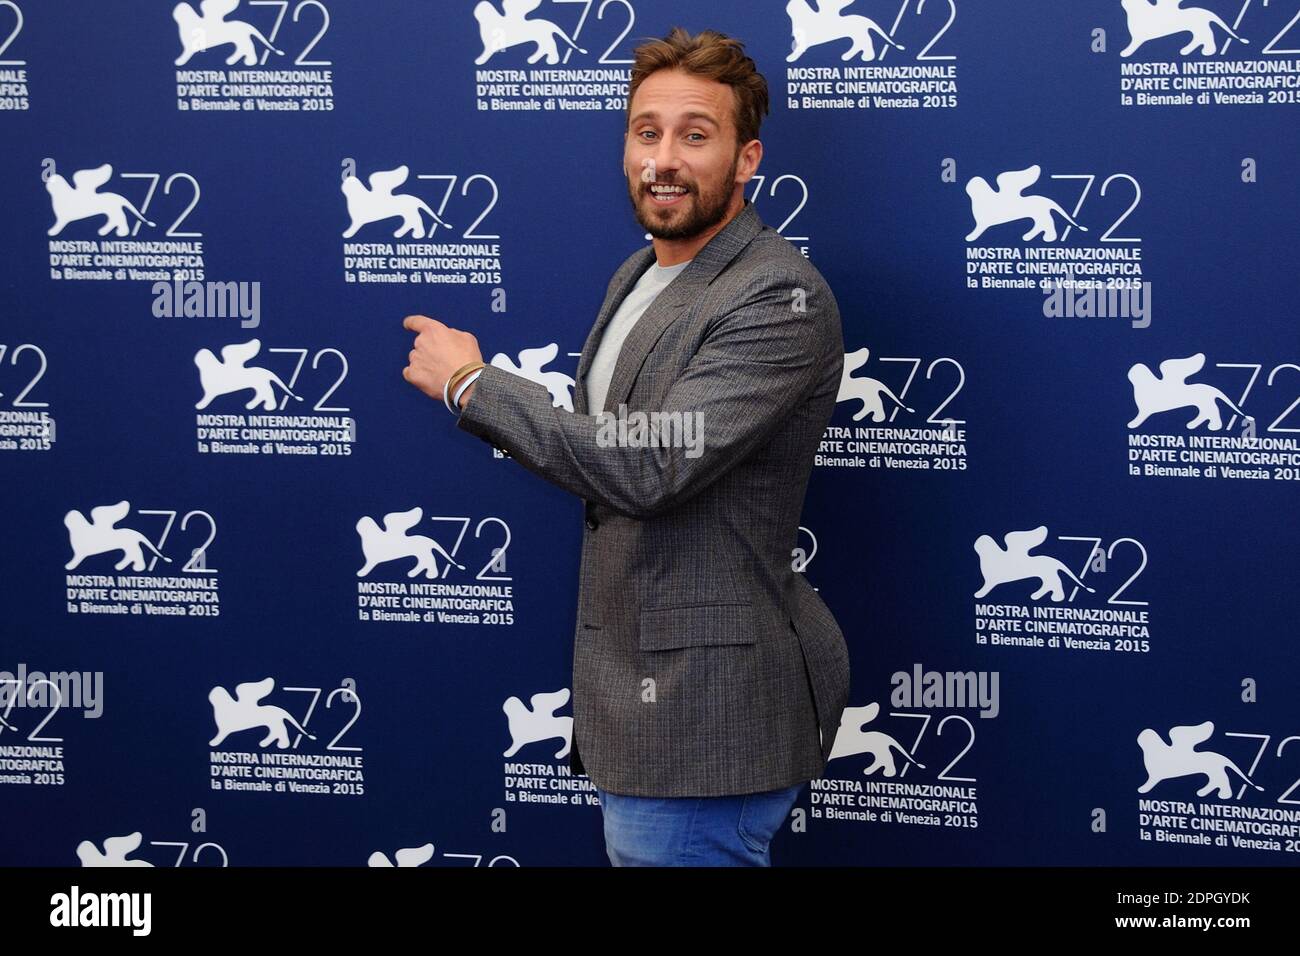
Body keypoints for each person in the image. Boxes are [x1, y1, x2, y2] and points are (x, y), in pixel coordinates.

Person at [401, 26, 849, 867]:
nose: (664, 160)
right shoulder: (635, 275)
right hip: (632, 700)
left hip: (705, 714)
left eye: (695, 134)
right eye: (647, 132)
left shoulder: (778, 295)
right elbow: (599, 446)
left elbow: (648, 463)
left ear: (747, 159)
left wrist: (474, 386)